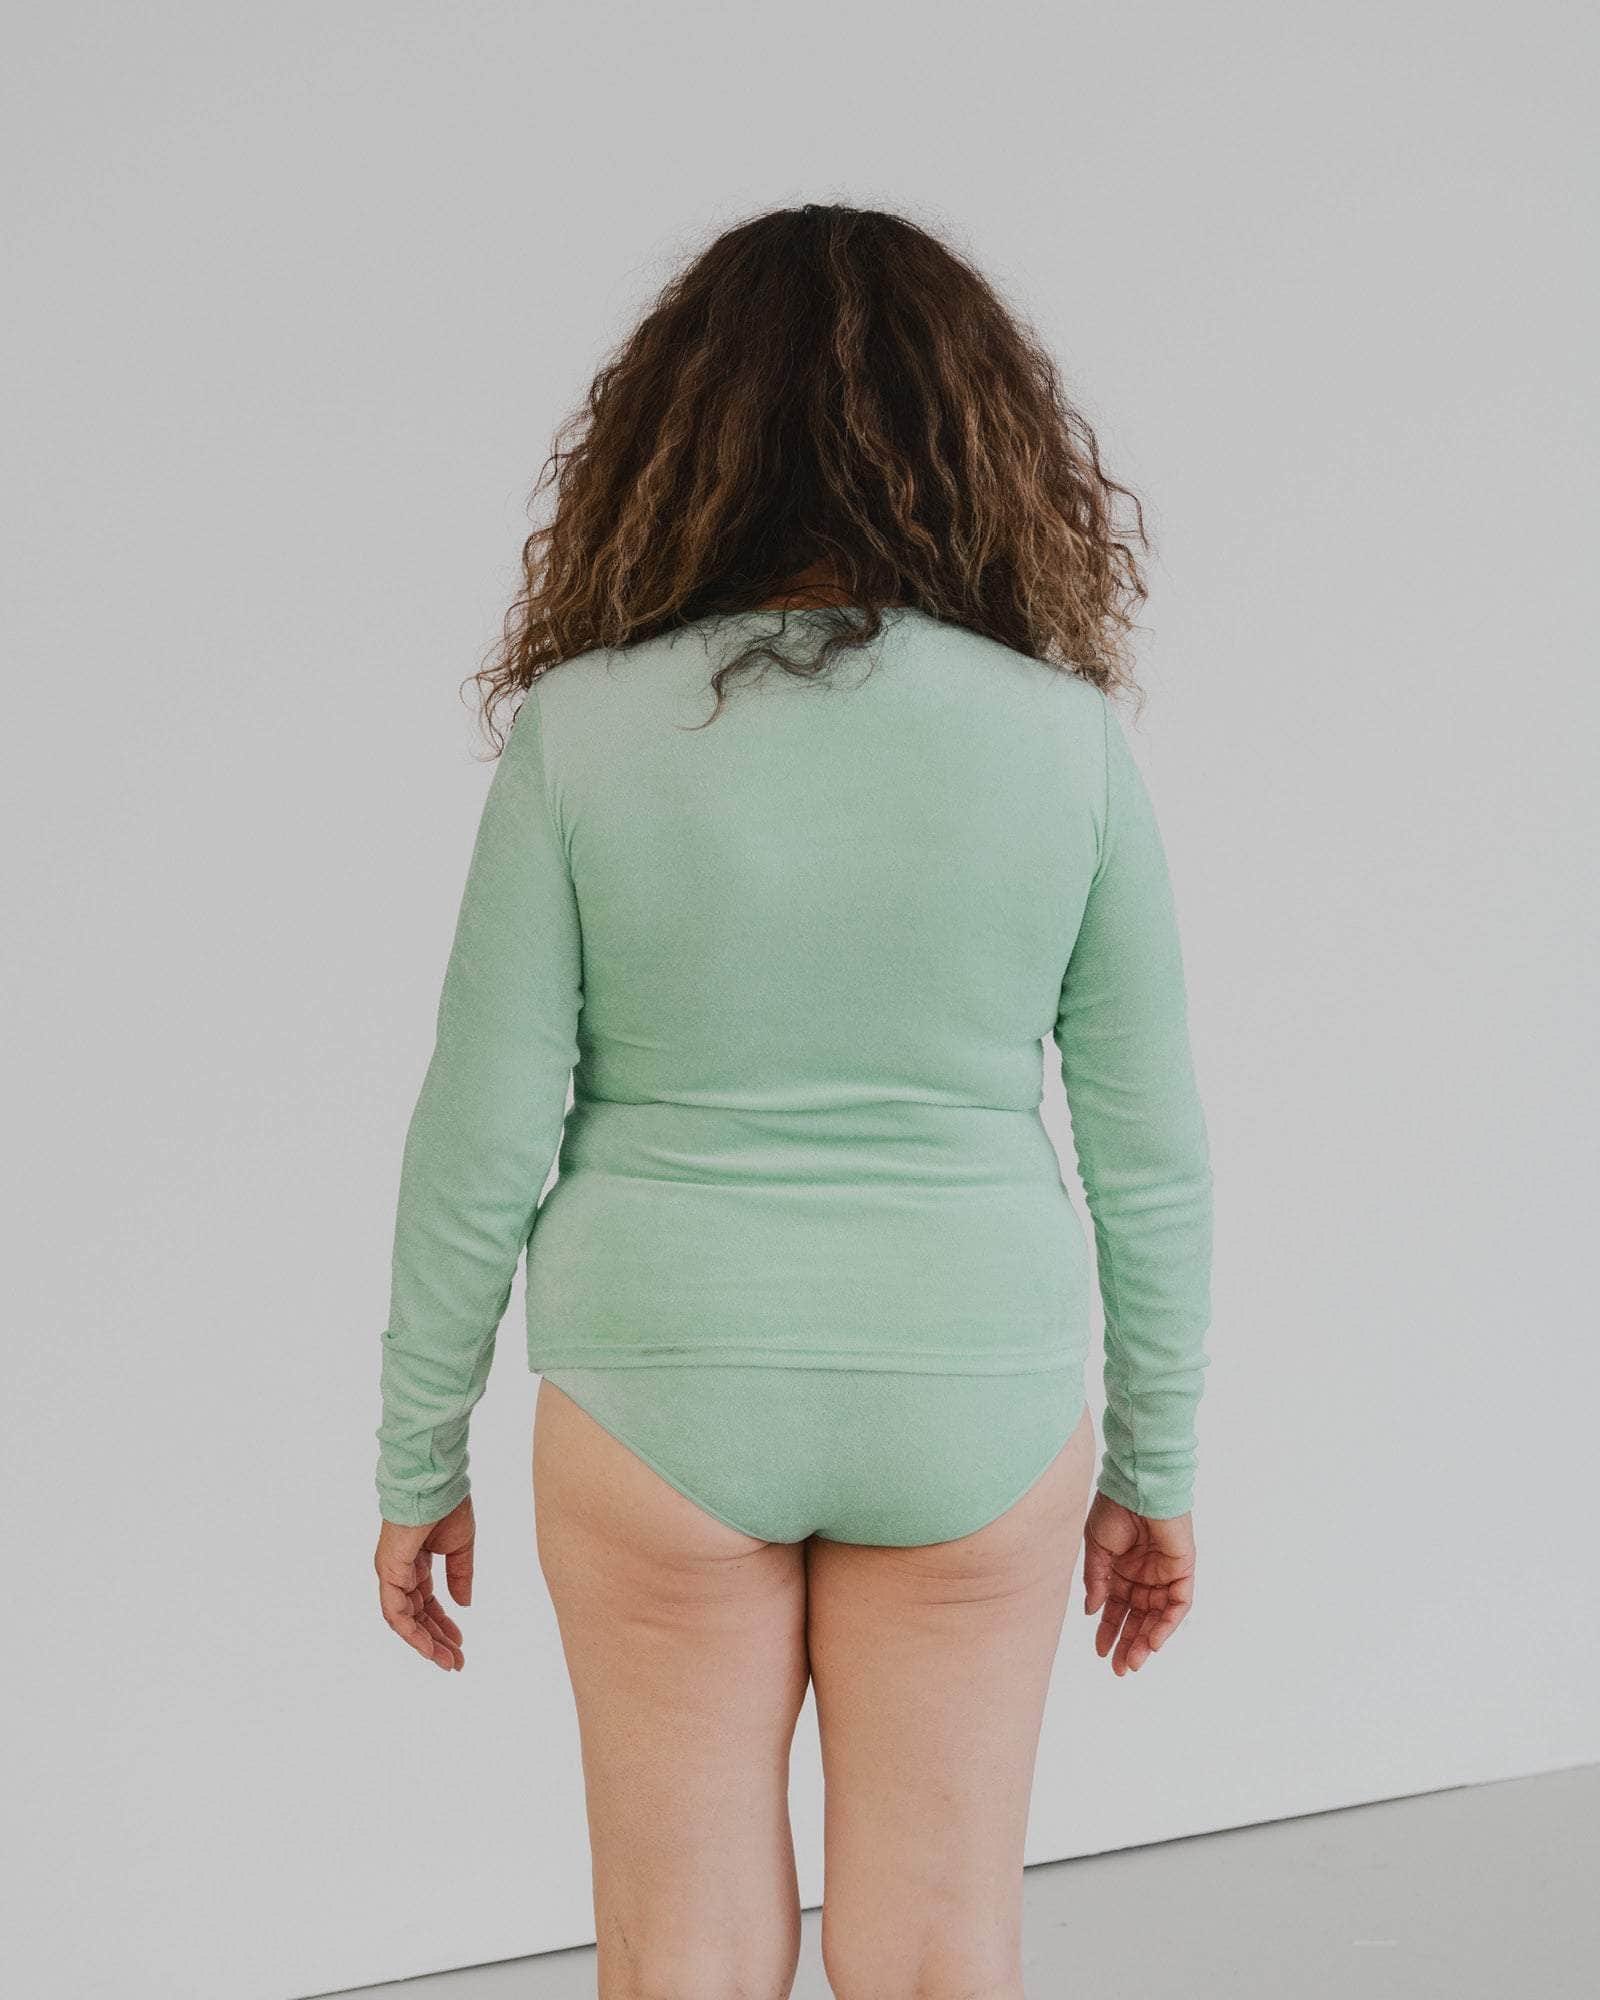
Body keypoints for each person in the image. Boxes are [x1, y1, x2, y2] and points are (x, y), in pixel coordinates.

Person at [371, 202, 1213, 2000]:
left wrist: (415, 1454)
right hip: (973, 1390)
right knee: (940, 1953)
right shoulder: (1065, 740)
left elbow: (481, 1135)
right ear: (984, 448)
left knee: (681, 1954)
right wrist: (1158, 1466)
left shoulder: (583, 733)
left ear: (672, 445)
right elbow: (1151, 1157)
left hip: (659, 1385)